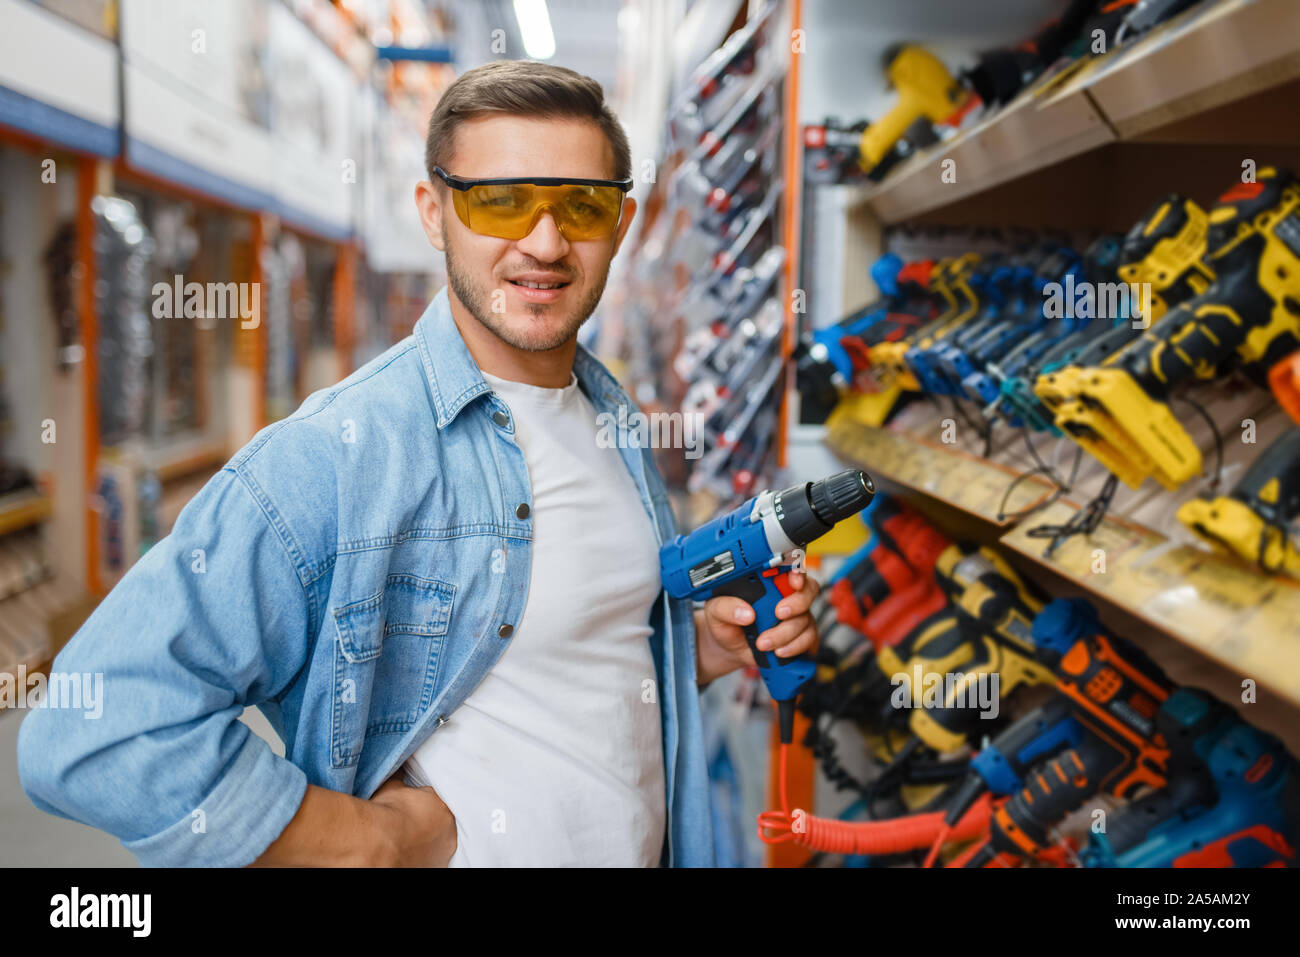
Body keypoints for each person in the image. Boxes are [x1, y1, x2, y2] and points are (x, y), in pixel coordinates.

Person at [17, 60, 820, 867]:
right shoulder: (338, 454)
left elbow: (558, 672)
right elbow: (96, 725)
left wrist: (698, 655)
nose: (544, 241)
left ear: (621, 222)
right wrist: (373, 840)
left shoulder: (612, 418)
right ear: (433, 214)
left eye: (581, 204)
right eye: (500, 200)